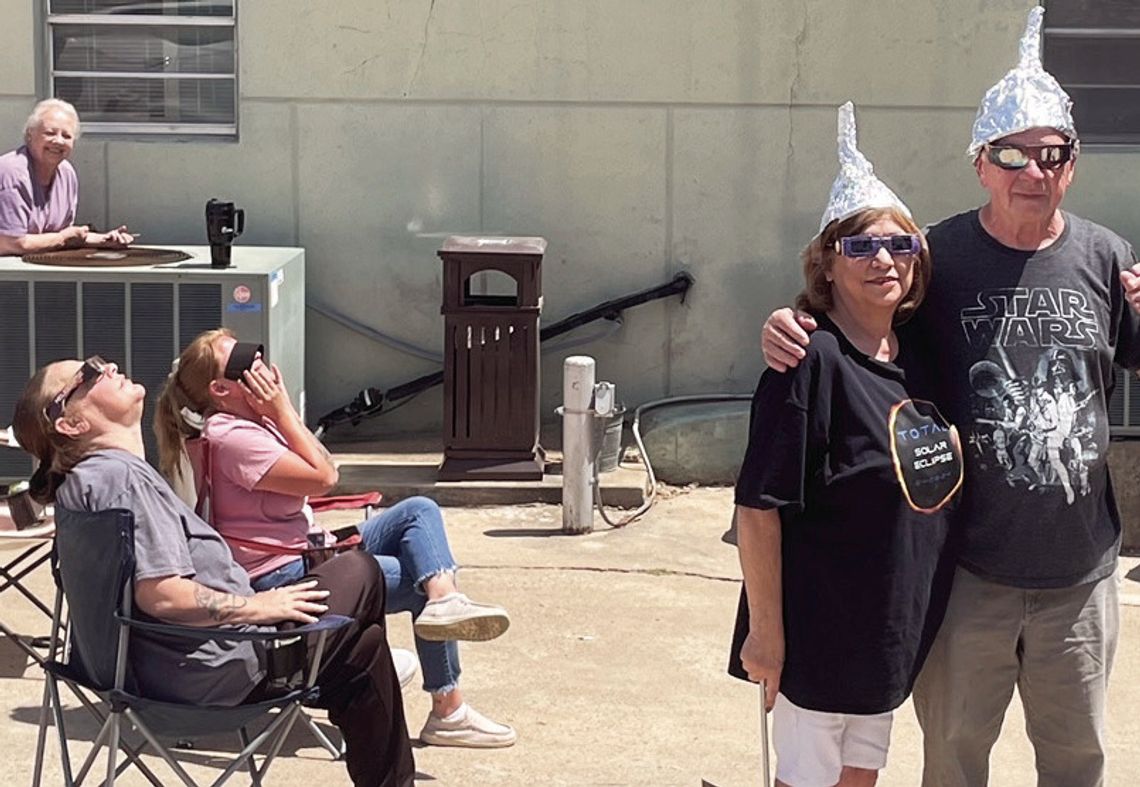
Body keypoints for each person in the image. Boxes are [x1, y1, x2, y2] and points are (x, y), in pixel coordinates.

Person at [759, 8, 1140, 785]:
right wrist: (787, 319)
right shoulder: (937, 255)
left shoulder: (1108, 255)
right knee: (954, 761)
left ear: (1072, 163)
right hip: (967, 573)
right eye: (1011, 154)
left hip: (1080, 575)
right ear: (981, 163)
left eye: (1050, 154)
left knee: (1077, 762)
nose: (1032, 170)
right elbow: (864, 308)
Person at [12, 357, 415, 787]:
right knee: (359, 568)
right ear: (71, 425)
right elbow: (161, 595)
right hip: (210, 676)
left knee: (362, 651)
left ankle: (354, 708)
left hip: (136, 672)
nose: (107, 365)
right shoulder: (123, 480)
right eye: (88, 374)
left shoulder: (81, 483)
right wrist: (256, 606)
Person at [729, 102, 962, 787]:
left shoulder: (918, 350)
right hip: (820, 632)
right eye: (860, 246)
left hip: (889, 634)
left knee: (860, 780)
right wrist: (765, 631)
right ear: (826, 264)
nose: (883, 259)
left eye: (900, 245)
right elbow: (757, 508)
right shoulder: (809, 359)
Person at [154, 328, 517, 749]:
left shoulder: (248, 423)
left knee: (418, 512)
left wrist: (274, 413)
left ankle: (443, 600)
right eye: (242, 365)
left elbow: (327, 464)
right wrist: (283, 407)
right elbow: (324, 478)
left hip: (305, 547)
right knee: (417, 579)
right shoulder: (233, 437)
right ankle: (448, 710)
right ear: (220, 389)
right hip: (282, 575)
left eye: (254, 354)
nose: (257, 366)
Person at [0, 98, 133, 255]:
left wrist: (106, 240)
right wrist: (62, 238)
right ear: (30, 135)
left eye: (67, 136)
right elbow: (10, 244)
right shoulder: (11, 173)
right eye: (50, 133)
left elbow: (64, 236)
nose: (58, 141)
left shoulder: (66, 173)